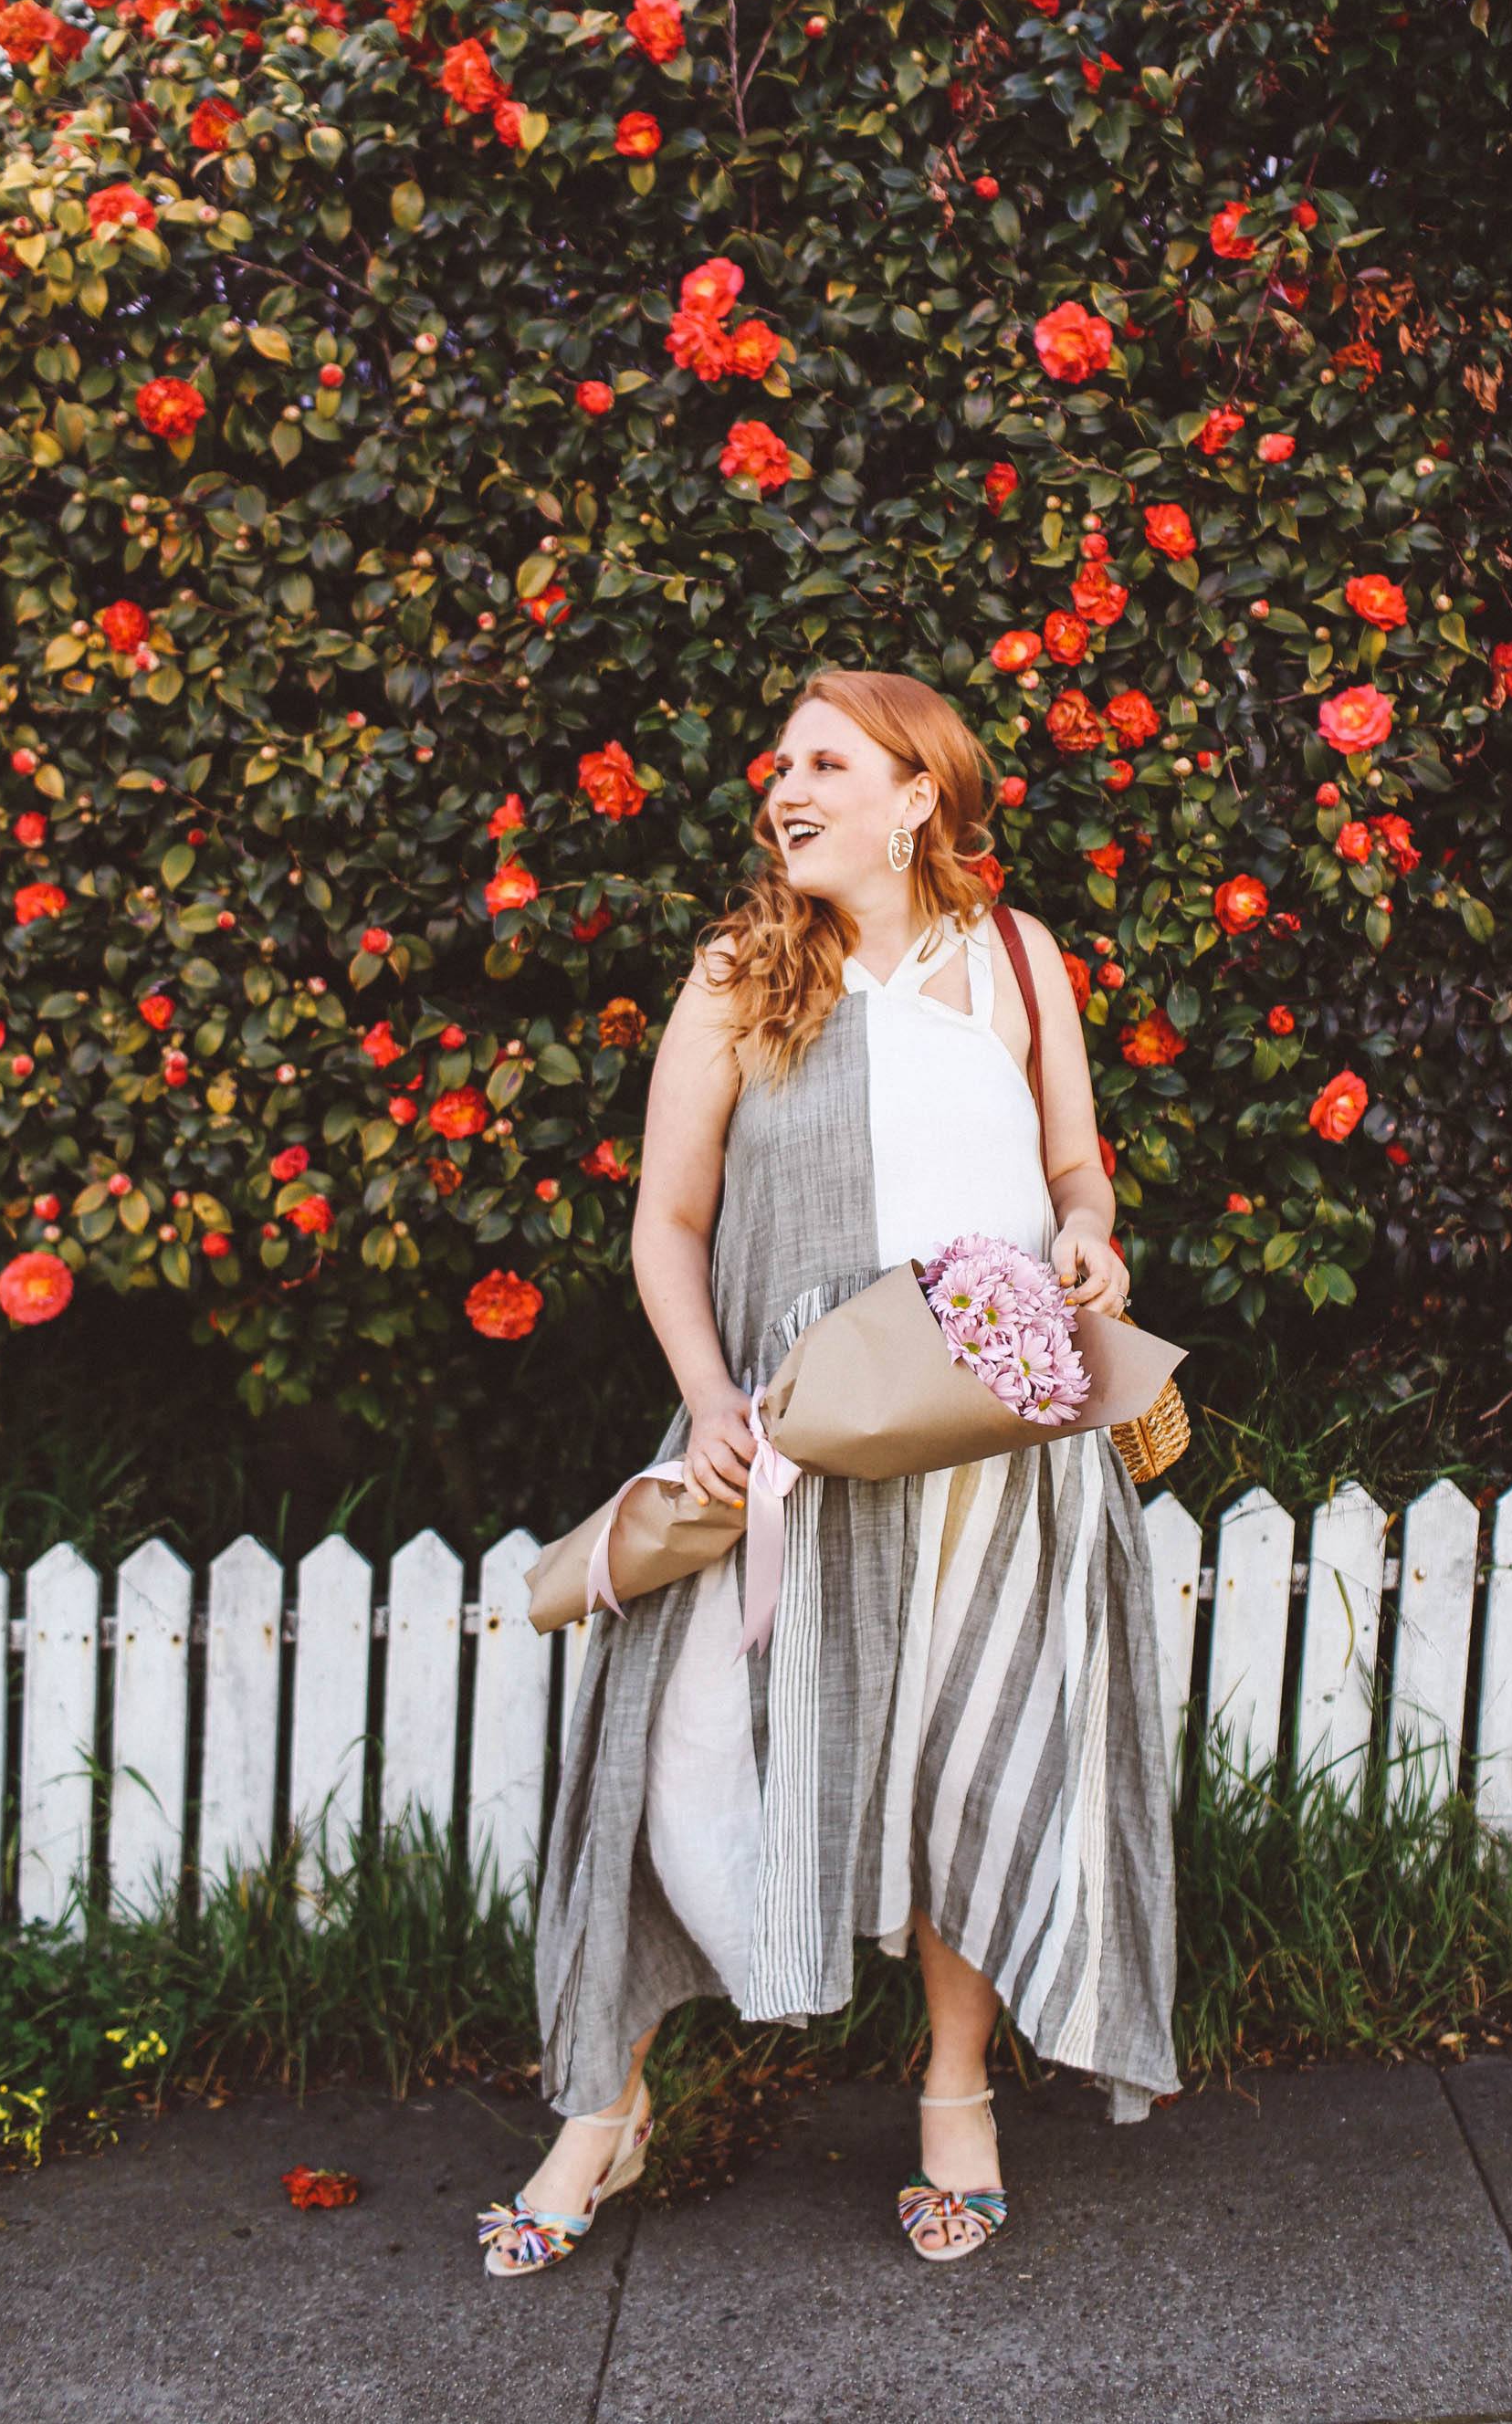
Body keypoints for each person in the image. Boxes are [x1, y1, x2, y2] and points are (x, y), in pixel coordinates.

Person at [478, 666, 1180, 2276]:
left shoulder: (1017, 960)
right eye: (777, 766)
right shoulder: (740, 971)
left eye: (824, 763)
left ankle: (954, 2098)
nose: (785, 789)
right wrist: (710, 1395)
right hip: (785, 1439)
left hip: (996, 1447)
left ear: (917, 794)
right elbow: (666, 1219)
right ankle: (608, 2107)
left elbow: (1075, 1163)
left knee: (970, 1760)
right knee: (680, 1764)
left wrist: (1085, 1235)